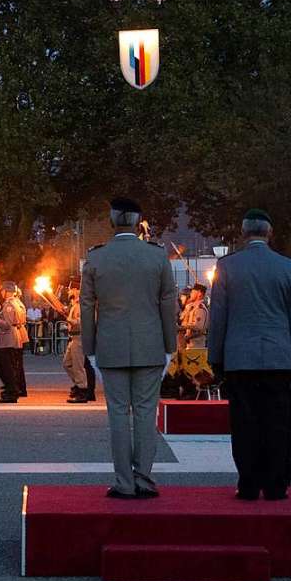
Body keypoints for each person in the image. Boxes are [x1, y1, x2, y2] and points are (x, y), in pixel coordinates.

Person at [82, 196, 177, 499]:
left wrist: (90, 347)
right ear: (138, 222)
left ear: (112, 221)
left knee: (118, 415)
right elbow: (167, 301)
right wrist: (169, 345)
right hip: (150, 344)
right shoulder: (157, 256)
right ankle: (145, 479)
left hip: (111, 346)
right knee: (146, 414)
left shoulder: (96, 258)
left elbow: (86, 306)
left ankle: (124, 482)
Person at [208, 209, 291, 501]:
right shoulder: (287, 268)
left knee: (244, 422)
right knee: (277, 423)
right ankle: (276, 483)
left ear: (243, 233)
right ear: (269, 233)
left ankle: (248, 482)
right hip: (278, 356)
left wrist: (216, 357)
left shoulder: (227, 267)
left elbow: (219, 318)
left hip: (240, 357)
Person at [0, 282, 26, 404]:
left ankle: (12, 390)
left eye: (2, 290)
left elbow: (7, 324)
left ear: (7, 291)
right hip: (12, 337)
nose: (1, 293)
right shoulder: (16, 303)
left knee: (5, 366)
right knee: (3, 364)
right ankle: (11, 387)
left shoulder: (9, 305)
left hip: (8, 338)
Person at [178, 283, 209, 400]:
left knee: (194, 373)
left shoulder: (200, 308)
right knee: (184, 372)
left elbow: (199, 326)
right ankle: (186, 392)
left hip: (196, 347)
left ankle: (195, 394)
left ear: (200, 293)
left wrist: (181, 328)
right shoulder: (190, 307)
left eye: (193, 292)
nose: (191, 294)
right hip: (187, 347)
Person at [63, 283, 89, 403]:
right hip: (73, 337)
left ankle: (82, 390)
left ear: (77, 290)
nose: (69, 291)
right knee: (67, 364)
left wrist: (68, 319)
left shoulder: (81, 305)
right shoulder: (74, 305)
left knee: (78, 366)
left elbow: (80, 322)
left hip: (79, 337)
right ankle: (78, 385)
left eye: (71, 289)